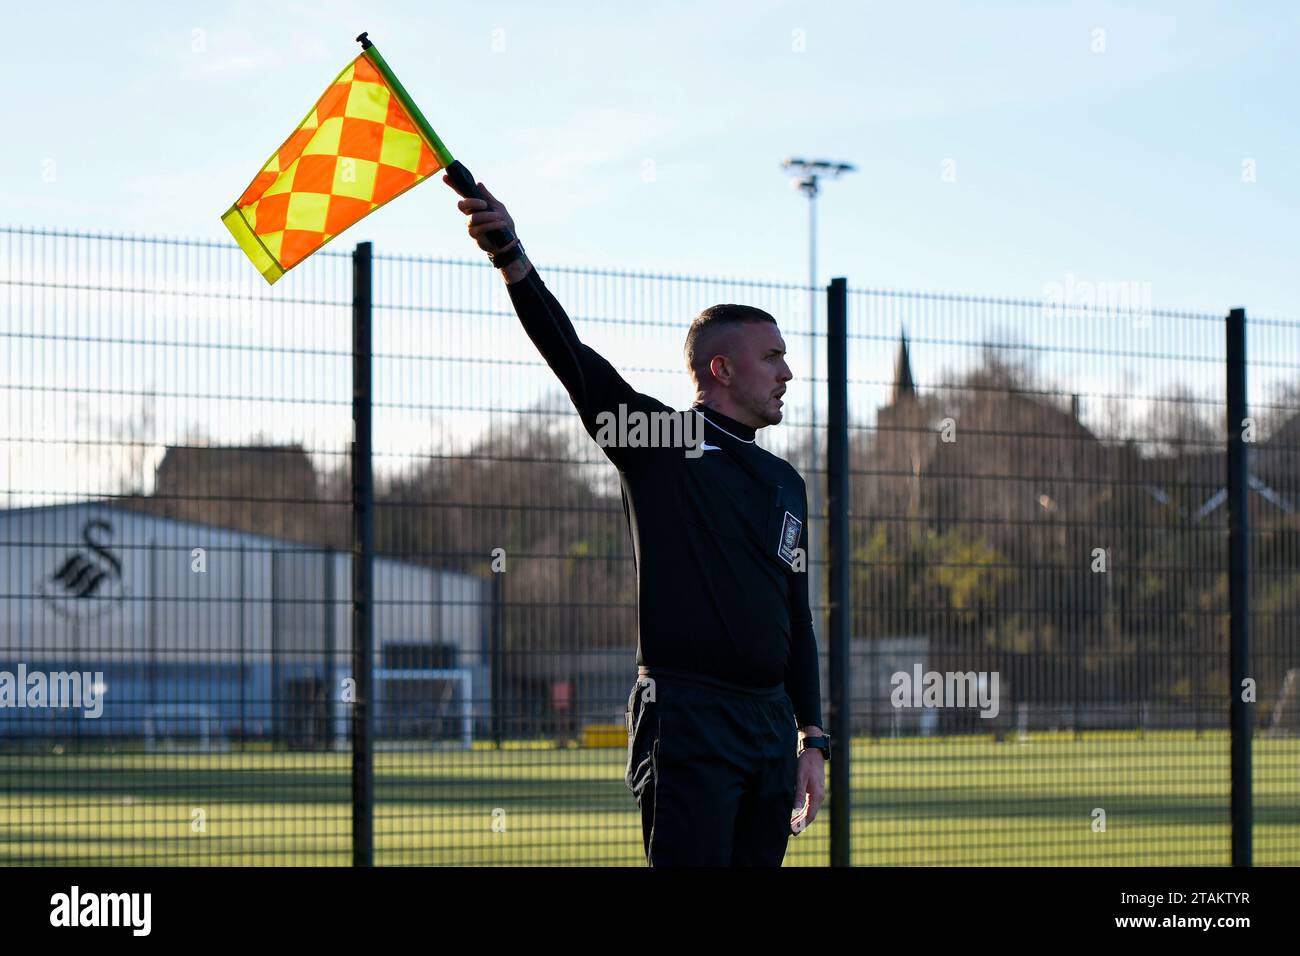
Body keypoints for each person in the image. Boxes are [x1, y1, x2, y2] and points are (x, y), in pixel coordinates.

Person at [447, 176, 827, 866]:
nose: (788, 373)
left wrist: (812, 740)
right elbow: (575, 360)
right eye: (772, 357)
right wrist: (511, 255)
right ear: (722, 367)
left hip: (770, 727)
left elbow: (796, 618)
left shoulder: (786, 483)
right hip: (687, 718)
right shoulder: (657, 444)